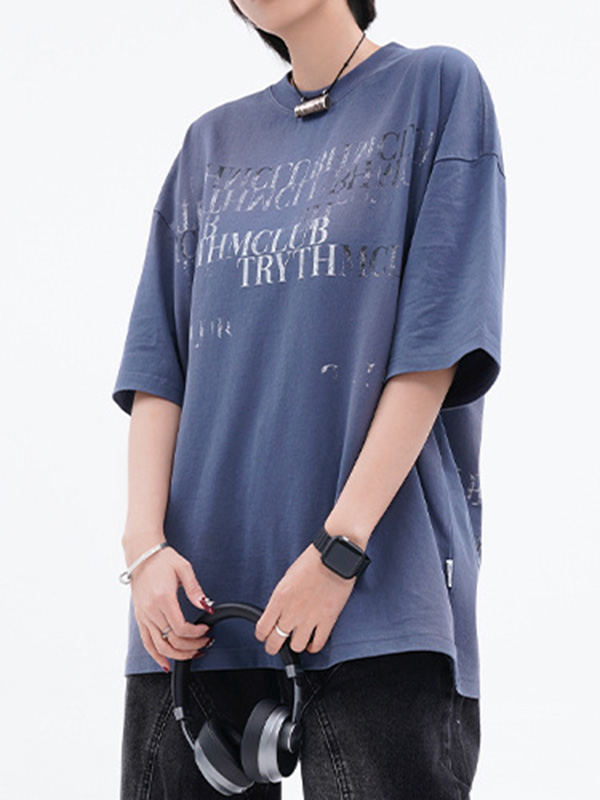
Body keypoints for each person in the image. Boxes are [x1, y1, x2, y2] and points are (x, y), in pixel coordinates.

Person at [112, 1, 506, 797]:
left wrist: (339, 550)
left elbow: (434, 347)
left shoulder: (436, 88)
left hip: (378, 590)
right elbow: (159, 367)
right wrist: (144, 551)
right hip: (192, 609)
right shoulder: (209, 145)